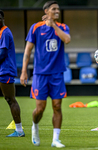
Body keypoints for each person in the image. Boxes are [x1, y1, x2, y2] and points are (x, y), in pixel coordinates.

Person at [20, 1, 70, 148]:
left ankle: (56, 140)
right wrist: (23, 72)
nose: (57, 11)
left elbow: (67, 40)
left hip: (57, 74)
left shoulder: (62, 27)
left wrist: (53, 25)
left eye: (58, 9)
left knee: (57, 106)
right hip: (40, 74)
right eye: (54, 9)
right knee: (40, 108)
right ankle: (35, 125)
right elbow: (27, 51)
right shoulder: (35, 28)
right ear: (46, 11)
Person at [0, 10, 25, 137]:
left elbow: (2, 54)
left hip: (5, 71)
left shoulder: (5, 32)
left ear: (2, 17)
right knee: (9, 99)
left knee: (10, 99)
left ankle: (19, 130)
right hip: (2, 70)